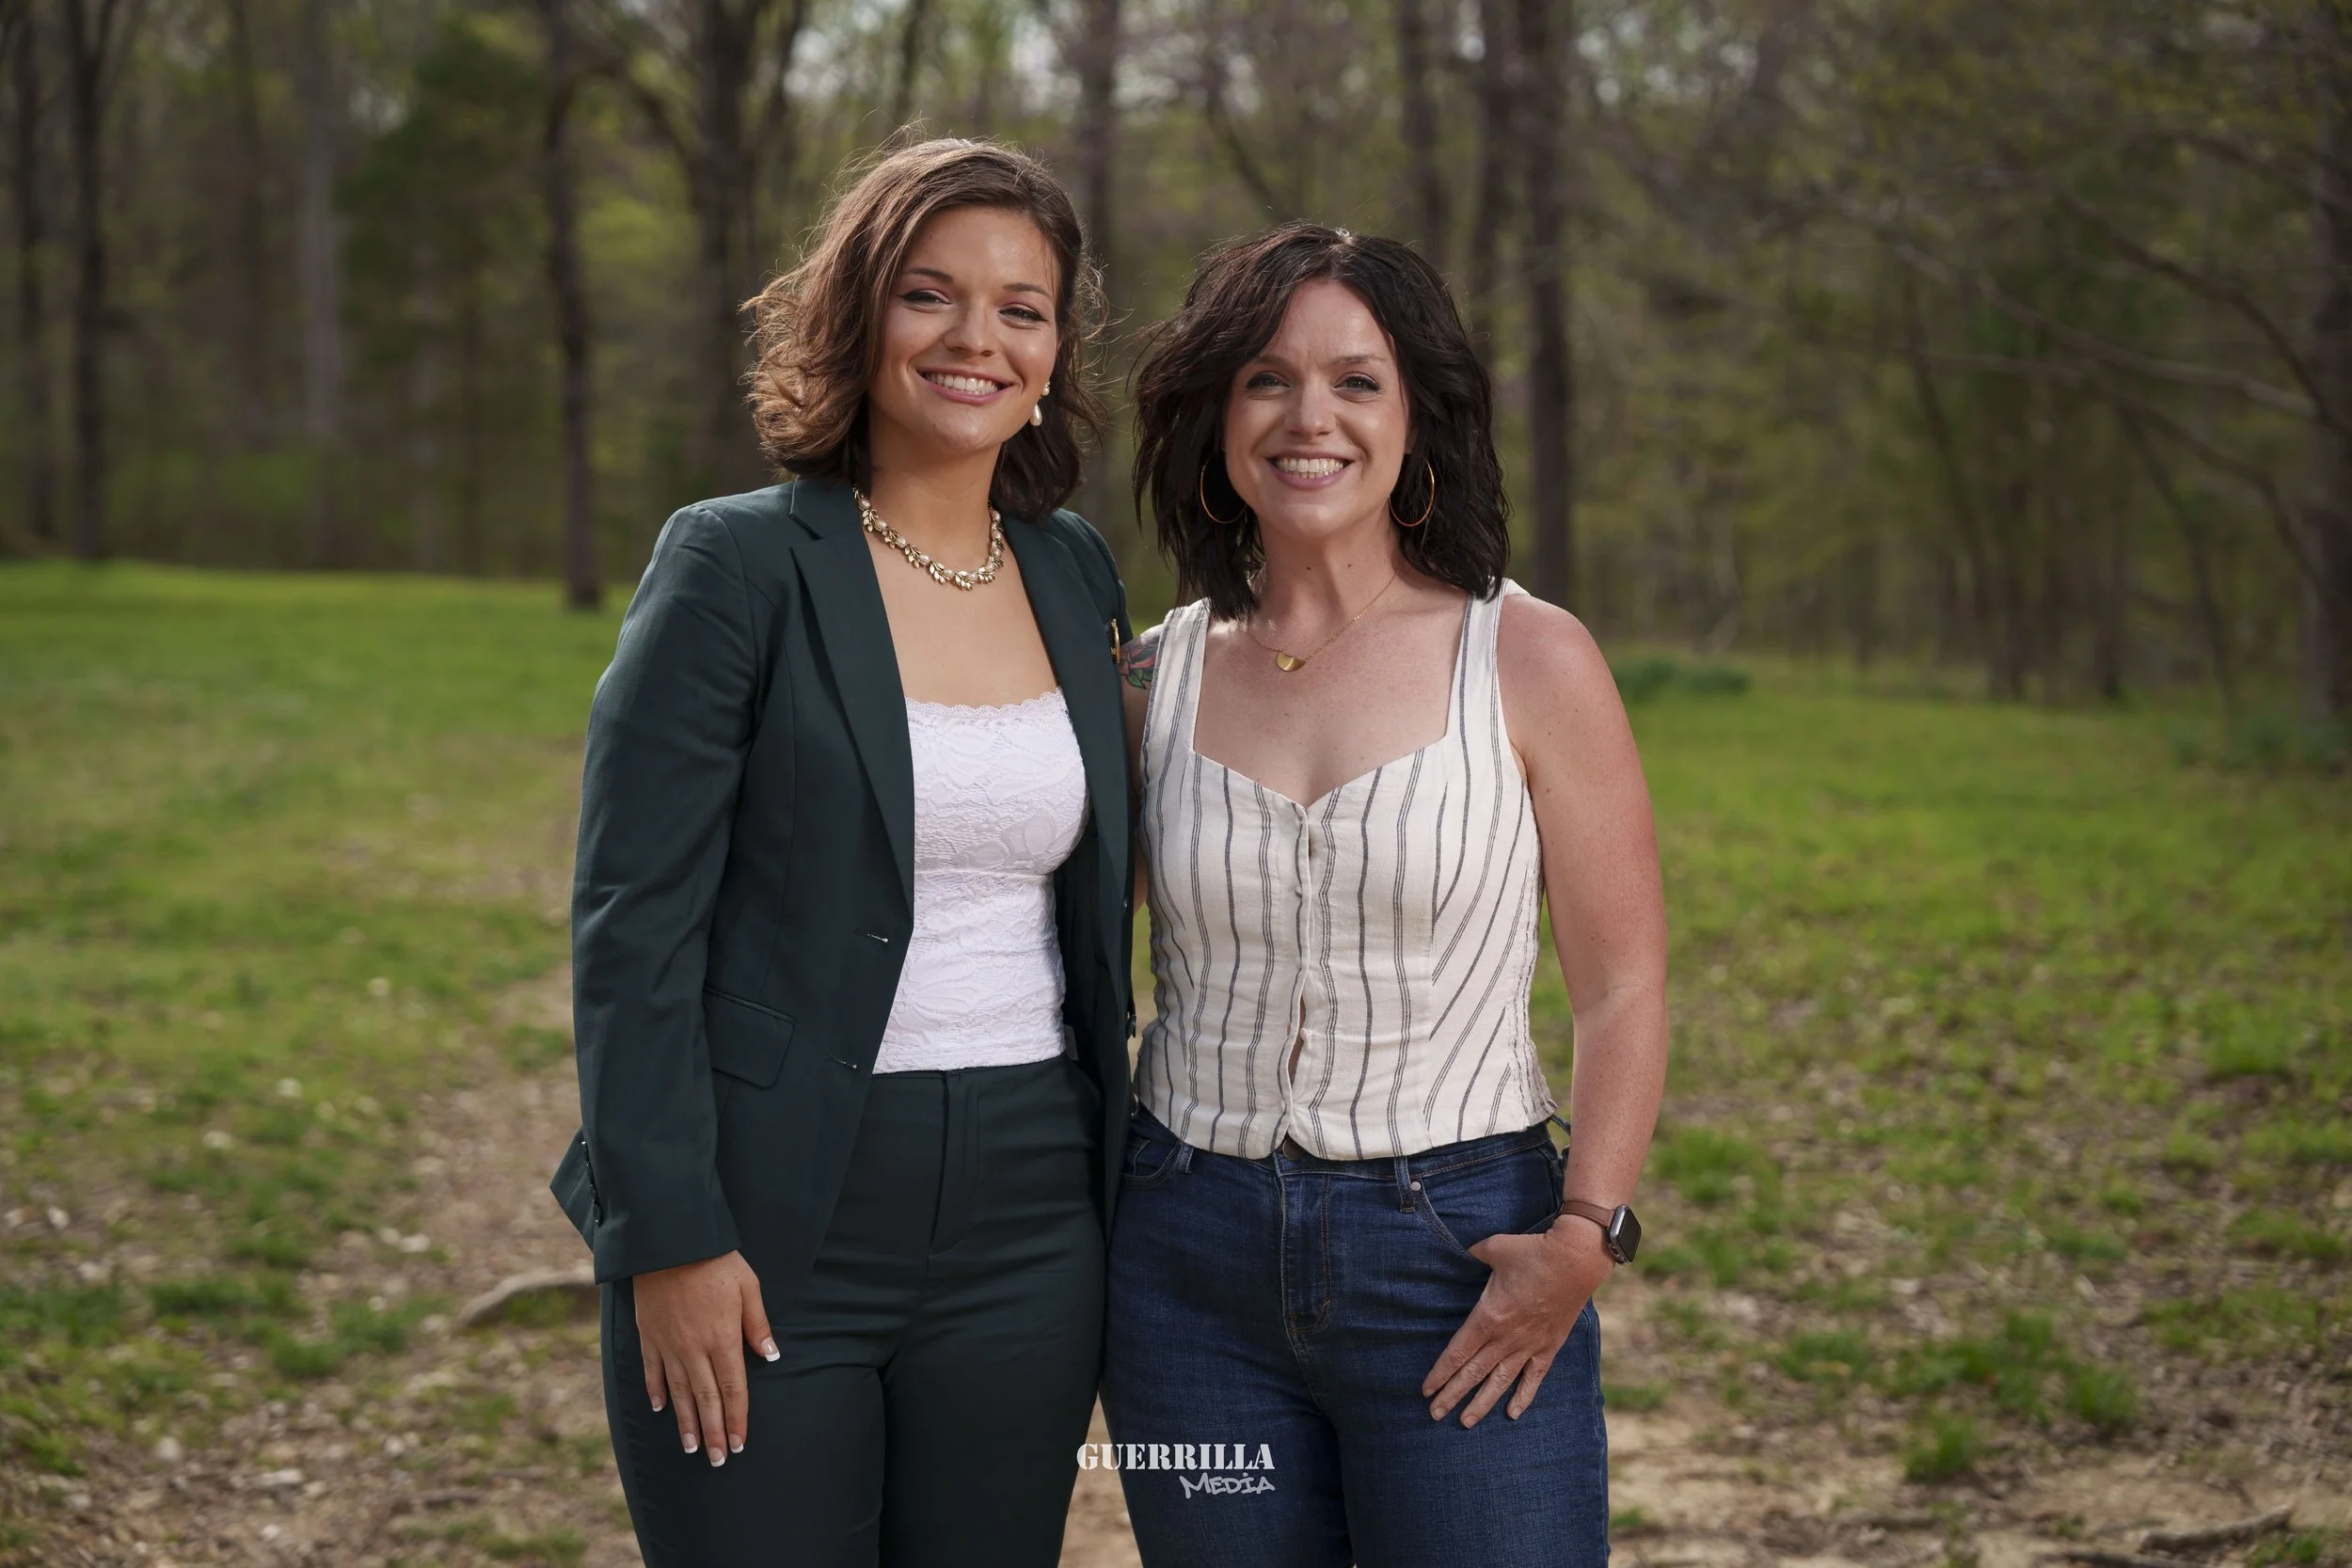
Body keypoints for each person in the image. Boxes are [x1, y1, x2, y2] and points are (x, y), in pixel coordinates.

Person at [548, 138, 1136, 1568]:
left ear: (1056, 347)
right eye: (931, 294)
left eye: (1021, 305)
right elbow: (633, 928)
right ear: (859, 312)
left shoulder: (1074, 572)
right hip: (769, 1209)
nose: (975, 338)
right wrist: (668, 1234)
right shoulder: (733, 564)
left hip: (1033, 1212)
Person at [1104, 223, 1668, 1568]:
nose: (1312, 419)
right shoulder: (1150, 678)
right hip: (1184, 1260)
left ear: (1418, 415)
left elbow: (1622, 983)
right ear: (1214, 413)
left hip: (1462, 1252)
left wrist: (1585, 1233)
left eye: (1357, 381)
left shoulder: (1527, 655)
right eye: (1267, 380)